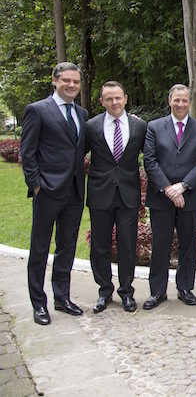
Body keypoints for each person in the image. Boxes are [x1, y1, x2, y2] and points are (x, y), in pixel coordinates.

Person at [20, 62, 88, 325]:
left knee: (66, 247)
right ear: (55, 81)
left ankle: (62, 297)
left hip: (74, 192)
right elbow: (28, 152)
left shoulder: (81, 113)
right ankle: (39, 304)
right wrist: (36, 185)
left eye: (76, 82)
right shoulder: (38, 110)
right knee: (39, 248)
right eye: (66, 80)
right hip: (47, 191)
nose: (71, 85)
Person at [142, 84, 196, 309]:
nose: (180, 104)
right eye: (176, 100)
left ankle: (185, 288)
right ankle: (157, 291)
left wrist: (182, 186)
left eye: (184, 100)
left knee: (188, 245)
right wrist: (168, 189)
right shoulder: (154, 127)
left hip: (190, 196)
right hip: (161, 197)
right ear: (169, 101)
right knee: (160, 244)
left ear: (190, 103)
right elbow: (150, 161)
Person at [85, 81, 147, 313]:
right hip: (100, 194)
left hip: (128, 195)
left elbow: (150, 157)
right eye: (109, 99)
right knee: (99, 246)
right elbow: (76, 156)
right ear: (102, 101)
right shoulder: (91, 126)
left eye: (118, 98)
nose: (114, 102)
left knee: (127, 245)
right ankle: (104, 291)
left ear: (126, 98)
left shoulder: (139, 127)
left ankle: (127, 292)